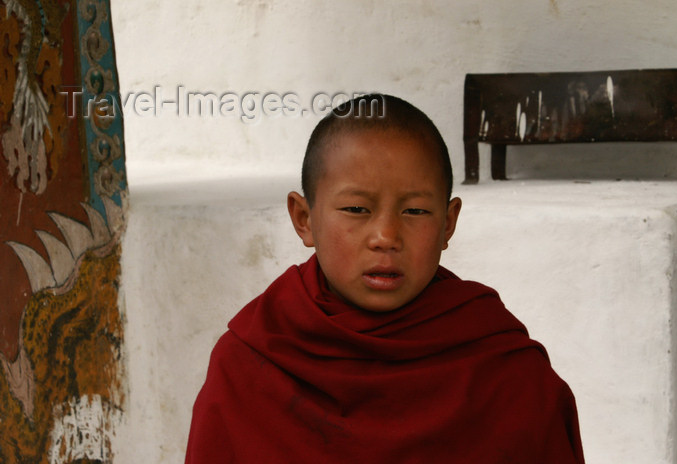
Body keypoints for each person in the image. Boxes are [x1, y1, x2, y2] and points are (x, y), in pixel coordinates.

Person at [185, 94, 585, 463]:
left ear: (448, 224)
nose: (386, 238)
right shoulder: (253, 360)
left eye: (415, 212)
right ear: (304, 219)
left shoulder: (504, 371)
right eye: (357, 208)